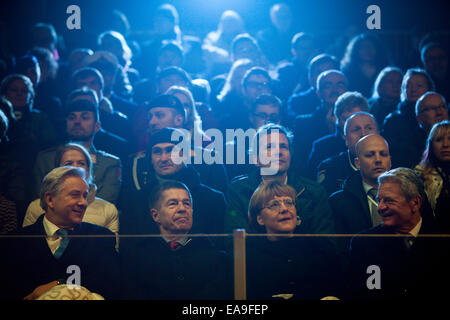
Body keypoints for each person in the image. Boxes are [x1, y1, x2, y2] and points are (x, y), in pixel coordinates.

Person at [0, 166, 119, 300]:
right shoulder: (13, 242)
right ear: (50, 200)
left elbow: (110, 287)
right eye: (75, 195)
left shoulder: (101, 238)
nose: (83, 203)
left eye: (85, 196)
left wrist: (59, 284)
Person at [348, 168, 450, 299]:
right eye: (379, 200)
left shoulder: (443, 241)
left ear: (415, 202)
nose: (380, 207)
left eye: (389, 200)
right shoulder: (364, 244)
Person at [120, 181, 232, 299]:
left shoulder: (215, 256)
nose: (182, 209)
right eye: (173, 204)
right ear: (155, 215)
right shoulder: (137, 257)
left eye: (187, 203)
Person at [225, 123, 336, 241]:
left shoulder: (314, 192)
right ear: (256, 159)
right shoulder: (238, 190)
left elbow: (326, 242)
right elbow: (235, 242)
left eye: (283, 146)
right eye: (270, 147)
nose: (279, 152)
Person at [119, 127, 226, 241]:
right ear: (150, 159)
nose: (164, 158)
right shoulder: (135, 201)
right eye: (157, 152)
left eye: (170, 150)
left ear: (185, 155)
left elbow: (220, 246)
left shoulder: (213, 199)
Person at [246, 180, 341, 300]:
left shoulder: (321, 247)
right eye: (274, 204)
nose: (285, 209)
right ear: (260, 219)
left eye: (289, 202)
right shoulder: (249, 255)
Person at [32, 96, 122, 204]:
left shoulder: (109, 163)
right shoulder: (45, 159)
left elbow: (105, 203)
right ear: (66, 124)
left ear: (97, 126)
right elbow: (40, 200)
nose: (77, 122)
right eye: (72, 117)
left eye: (85, 117)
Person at [24, 143, 119, 236]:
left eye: (81, 163)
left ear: (88, 170)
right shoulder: (36, 208)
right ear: (58, 168)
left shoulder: (108, 210)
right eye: (68, 163)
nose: (75, 167)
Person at [329, 135, 391, 253]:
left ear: (390, 160)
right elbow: (340, 248)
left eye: (383, 154)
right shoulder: (338, 202)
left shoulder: (411, 193)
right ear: (357, 163)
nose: (378, 160)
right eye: (370, 155)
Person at [292, 70, 348, 175]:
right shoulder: (303, 123)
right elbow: (302, 160)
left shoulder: (358, 121)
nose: (334, 90)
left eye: (340, 85)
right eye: (328, 86)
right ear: (318, 93)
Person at [382, 68, 435, 168]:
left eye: (419, 86)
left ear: (429, 89)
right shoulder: (393, 120)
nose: (413, 89)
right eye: (408, 86)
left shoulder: (437, 114)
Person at [308, 91, 370, 176]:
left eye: (358, 117)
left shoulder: (380, 144)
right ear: (337, 120)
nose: (354, 123)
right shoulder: (322, 146)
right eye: (347, 119)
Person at [317, 112, 379, 196]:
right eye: (356, 130)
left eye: (369, 128)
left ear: (378, 133)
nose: (363, 134)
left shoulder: (395, 163)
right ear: (345, 138)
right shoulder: (330, 168)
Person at [415, 121, 450, 232]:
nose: (445, 144)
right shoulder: (419, 176)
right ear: (430, 144)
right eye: (439, 140)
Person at [340, 33, 389, 98]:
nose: (367, 50)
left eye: (371, 46)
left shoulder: (385, 70)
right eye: (363, 47)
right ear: (356, 50)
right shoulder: (348, 71)